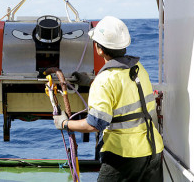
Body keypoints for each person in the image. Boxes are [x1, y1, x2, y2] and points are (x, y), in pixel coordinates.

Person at [53, 16, 164, 181]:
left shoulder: (104, 81)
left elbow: (95, 124)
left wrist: (64, 123)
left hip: (124, 156)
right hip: (152, 151)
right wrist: (91, 82)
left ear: (99, 49)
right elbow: (124, 91)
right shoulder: (139, 68)